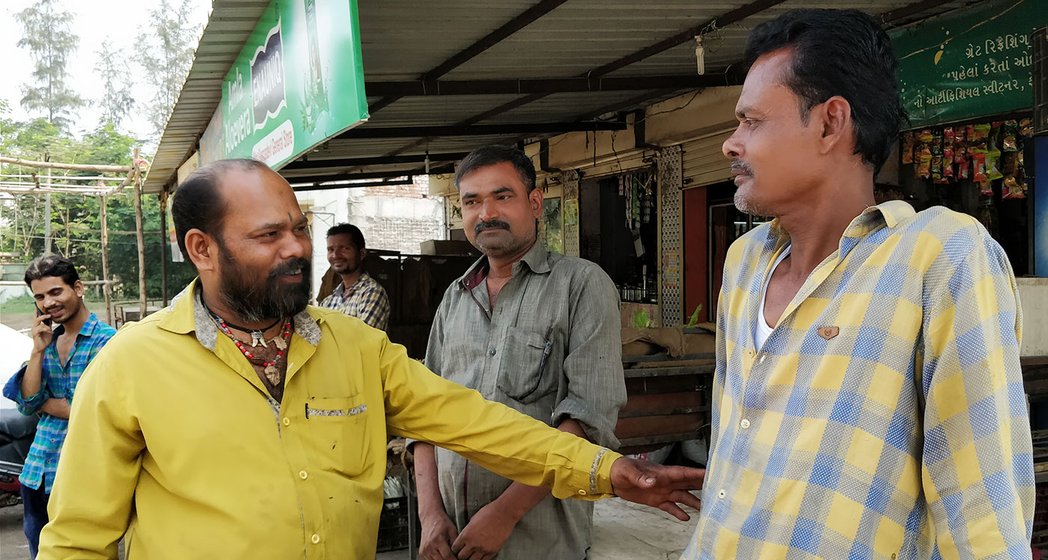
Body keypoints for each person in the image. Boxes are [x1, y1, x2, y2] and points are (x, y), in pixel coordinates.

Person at [36, 159, 703, 559]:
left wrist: (607, 471)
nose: (297, 248)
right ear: (202, 249)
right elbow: (77, 537)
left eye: (298, 227)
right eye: (269, 235)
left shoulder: (354, 345)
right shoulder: (132, 365)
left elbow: (475, 424)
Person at [683, 9, 1033, 559]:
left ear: (829, 123)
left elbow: (979, 495)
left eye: (751, 122)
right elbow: (731, 445)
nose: (730, 144)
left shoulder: (939, 256)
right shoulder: (745, 261)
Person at [413, 145, 626, 560]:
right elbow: (422, 415)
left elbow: (588, 420)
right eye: (472, 201)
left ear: (534, 202)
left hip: (539, 541)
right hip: (449, 538)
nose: (486, 212)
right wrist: (430, 515)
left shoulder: (581, 285)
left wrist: (504, 515)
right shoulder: (455, 298)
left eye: (502, 196)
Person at [2, 254, 116, 558]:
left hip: (82, 474)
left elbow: (95, 409)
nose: (48, 302)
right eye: (39, 296)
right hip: (37, 472)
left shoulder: (108, 343)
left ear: (77, 288)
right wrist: (37, 350)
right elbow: (27, 404)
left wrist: (45, 404)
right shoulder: (47, 342)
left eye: (55, 292)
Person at [319, 223, 391, 331]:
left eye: (344, 248)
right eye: (330, 250)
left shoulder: (372, 293)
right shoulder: (328, 301)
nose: (335, 255)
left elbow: (361, 342)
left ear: (361, 254)